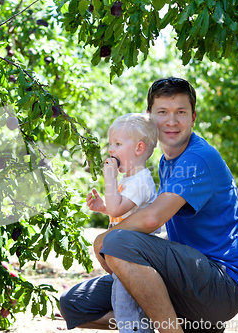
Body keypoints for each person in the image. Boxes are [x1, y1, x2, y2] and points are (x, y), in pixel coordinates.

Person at [59, 77, 238, 333]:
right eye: (163, 112)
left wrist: (103, 240)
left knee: (116, 241)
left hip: (221, 285)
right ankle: (190, 326)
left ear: (193, 116)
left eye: (180, 112)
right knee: (73, 304)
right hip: (182, 279)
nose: (171, 121)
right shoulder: (166, 161)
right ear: (150, 117)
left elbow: (152, 219)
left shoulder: (198, 158)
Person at [86, 113, 160, 333]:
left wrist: (110, 179)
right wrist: (102, 207)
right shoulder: (131, 180)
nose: (111, 149)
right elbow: (122, 209)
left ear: (138, 149)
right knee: (123, 309)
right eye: (111, 144)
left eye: (117, 144)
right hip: (124, 257)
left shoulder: (141, 180)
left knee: (129, 312)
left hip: (133, 258)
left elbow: (118, 208)